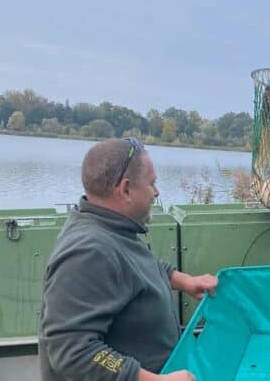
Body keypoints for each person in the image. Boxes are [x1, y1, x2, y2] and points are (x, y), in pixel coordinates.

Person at [39, 137, 218, 381]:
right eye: (152, 183)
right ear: (125, 190)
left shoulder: (110, 226)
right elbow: (73, 350)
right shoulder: (88, 252)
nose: (157, 192)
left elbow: (136, 268)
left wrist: (184, 281)